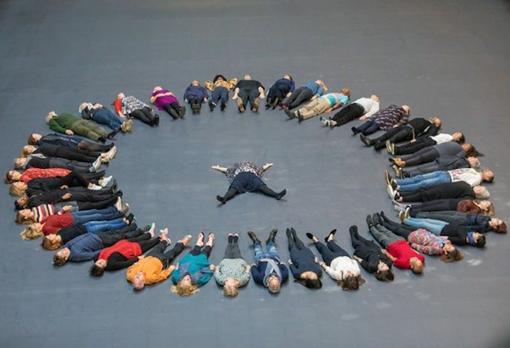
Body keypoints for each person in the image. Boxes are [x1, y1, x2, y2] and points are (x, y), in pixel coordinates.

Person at [375, 212, 463, 262]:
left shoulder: (436, 250)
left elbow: (423, 248)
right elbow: (440, 236)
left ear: (446, 252)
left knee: (397, 230)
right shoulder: (445, 242)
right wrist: (447, 240)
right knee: (401, 226)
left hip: (414, 238)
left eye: (450, 248)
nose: (450, 246)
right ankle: (386, 220)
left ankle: (383, 223)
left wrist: (412, 245)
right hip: (421, 232)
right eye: (452, 246)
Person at [53, 224, 155, 266]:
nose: (63, 250)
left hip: (95, 236)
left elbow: (75, 239)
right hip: (101, 242)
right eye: (63, 253)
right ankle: (142, 231)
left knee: (117, 232)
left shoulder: (68, 246)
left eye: (61, 251)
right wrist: (107, 249)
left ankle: (133, 227)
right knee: (123, 237)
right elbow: (92, 255)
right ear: (66, 258)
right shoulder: (76, 255)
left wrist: (88, 234)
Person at [127, 229, 192, 290]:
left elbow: (130, 269)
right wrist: (169, 270)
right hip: (162, 261)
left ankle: (165, 239)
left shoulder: (131, 275)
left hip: (149, 256)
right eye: (139, 277)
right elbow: (162, 275)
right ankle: (183, 242)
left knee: (159, 247)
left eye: (136, 276)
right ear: (144, 281)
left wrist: (137, 262)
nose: (138, 274)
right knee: (173, 252)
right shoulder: (150, 278)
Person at [20, 206, 127, 240]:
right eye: (35, 226)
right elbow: (62, 230)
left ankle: (114, 209)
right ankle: (119, 214)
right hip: (74, 221)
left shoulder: (43, 221)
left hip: (71, 215)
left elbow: (55, 215)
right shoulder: (47, 229)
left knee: (94, 211)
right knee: (97, 217)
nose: (36, 224)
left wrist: (62, 210)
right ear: (37, 231)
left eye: (34, 224)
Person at [90, 231, 165, 277]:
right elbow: (125, 264)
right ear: (103, 267)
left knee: (137, 239)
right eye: (101, 264)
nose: (101, 261)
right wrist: (137, 258)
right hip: (131, 251)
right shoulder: (111, 265)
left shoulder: (98, 257)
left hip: (122, 245)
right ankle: (160, 239)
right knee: (145, 244)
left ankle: (150, 234)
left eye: (98, 262)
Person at [211, 161, 286, 204]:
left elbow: (263, 168)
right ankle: (224, 198)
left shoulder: (254, 168)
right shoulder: (235, 169)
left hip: (252, 176)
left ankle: (277, 195)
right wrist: (217, 167)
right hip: (240, 176)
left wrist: (268, 165)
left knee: (261, 186)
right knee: (234, 187)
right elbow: (226, 169)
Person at [16, 196, 127, 224]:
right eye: (23, 212)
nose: (25, 210)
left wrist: (60, 201)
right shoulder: (38, 218)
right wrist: (62, 210)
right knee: (91, 208)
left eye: (23, 210)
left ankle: (112, 206)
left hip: (60, 204)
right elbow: (52, 218)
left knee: (88, 204)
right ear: (25, 217)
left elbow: (49, 204)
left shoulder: (35, 209)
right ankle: (114, 207)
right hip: (66, 211)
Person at [171, 232, 215, 296]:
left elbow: (175, 272)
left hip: (189, 258)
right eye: (188, 280)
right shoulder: (198, 280)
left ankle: (200, 240)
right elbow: (207, 276)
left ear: (180, 281)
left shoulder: (176, 278)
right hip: (201, 261)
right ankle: (210, 240)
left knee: (196, 248)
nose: (187, 277)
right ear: (191, 284)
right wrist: (211, 269)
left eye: (185, 279)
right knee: (206, 250)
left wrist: (176, 268)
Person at [361, 116, 442, 151]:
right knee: (387, 134)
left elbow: (428, 135)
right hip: (404, 126)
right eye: (435, 118)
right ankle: (371, 141)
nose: (435, 118)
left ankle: (379, 146)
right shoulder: (423, 119)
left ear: (437, 124)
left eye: (437, 120)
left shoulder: (431, 127)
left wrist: (416, 140)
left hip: (410, 131)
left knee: (394, 138)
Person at [41, 221, 137, 250]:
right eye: (49, 237)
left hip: (83, 225)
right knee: (107, 226)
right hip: (88, 231)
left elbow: (70, 226)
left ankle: (124, 223)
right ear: (53, 242)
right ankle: (126, 223)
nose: (49, 235)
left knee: (106, 224)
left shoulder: (58, 233)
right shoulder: (65, 242)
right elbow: (79, 238)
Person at [401, 216, 486, 248]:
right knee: (427, 220)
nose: (476, 233)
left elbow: (449, 238)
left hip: (441, 231)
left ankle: (405, 221)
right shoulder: (468, 233)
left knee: (424, 224)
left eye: (477, 235)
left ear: (475, 241)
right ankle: (409, 218)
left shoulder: (463, 240)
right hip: (446, 225)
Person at [9, 170, 110, 197]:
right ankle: (91, 185)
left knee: (76, 183)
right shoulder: (30, 190)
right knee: (74, 174)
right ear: (19, 189)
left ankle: (99, 183)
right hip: (56, 185)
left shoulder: (30, 182)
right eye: (18, 185)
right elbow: (45, 192)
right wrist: (59, 189)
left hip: (56, 180)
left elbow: (44, 179)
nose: (20, 183)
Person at [386, 168, 494, 193]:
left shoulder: (477, 179)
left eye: (490, 173)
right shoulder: (474, 171)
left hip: (448, 179)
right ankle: (396, 182)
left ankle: (400, 188)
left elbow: (465, 184)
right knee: (420, 178)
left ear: (487, 178)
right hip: (446, 173)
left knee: (423, 184)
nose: (488, 170)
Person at [247, 229, 288, 294]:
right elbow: (285, 270)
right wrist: (282, 264)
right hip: (274, 258)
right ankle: (270, 240)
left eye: (271, 279)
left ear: (268, 284)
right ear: (279, 282)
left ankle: (256, 241)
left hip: (261, 259)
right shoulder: (283, 276)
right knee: (272, 249)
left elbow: (254, 271)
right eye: (276, 278)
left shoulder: (260, 279)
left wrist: (253, 266)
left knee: (258, 250)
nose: (273, 276)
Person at [15, 187, 122, 210]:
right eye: (20, 201)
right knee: (88, 197)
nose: (21, 199)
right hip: (64, 198)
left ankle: (107, 192)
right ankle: (110, 197)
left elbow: (45, 193)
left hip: (59, 191)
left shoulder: (31, 196)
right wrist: (62, 197)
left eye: (20, 198)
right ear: (23, 206)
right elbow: (49, 205)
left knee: (87, 192)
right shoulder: (33, 204)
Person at [391, 142, 482, 169]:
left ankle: (404, 163)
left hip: (438, 153)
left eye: (467, 146)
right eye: (466, 144)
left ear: (468, 150)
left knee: (420, 158)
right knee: (417, 154)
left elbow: (457, 158)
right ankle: (400, 159)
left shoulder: (463, 152)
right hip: (435, 147)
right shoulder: (458, 144)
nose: (465, 145)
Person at [284, 89, 350, 122]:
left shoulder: (345, 97)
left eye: (346, 89)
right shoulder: (337, 93)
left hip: (327, 102)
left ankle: (303, 116)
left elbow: (340, 103)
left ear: (347, 93)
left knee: (315, 110)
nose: (343, 89)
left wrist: (332, 108)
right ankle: (294, 114)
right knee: (308, 107)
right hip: (321, 99)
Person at [391, 182, 490, 203]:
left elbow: (458, 201)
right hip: (441, 187)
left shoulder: (470, 196)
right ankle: (401, 193)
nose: (478, 187)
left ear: (479, 194)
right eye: (479, 187)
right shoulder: (468, 185)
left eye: (480, 190)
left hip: (442, 194)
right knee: (421, 191)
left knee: (422, 195)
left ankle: (402, 198)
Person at [412, 211, 507, 234]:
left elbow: (469, 228)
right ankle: (416, 213)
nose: (496, 219)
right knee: (438, 212)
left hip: (459, 221)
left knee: (436, 216)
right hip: (462, 215)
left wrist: (457, 226)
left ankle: (414, 215)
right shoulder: (487, 219)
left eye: (497, 221)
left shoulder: (484, 227)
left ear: (495, 227)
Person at [46, 111, 111, 142]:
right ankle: (99, 138)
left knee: (93, 126)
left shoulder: (62, 114)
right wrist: (65, 130)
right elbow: (56, 127)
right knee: (86, 131)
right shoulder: (52, 120)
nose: (52, 112)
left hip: (79, 120)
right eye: (50, 113)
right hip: (73, 125)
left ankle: (107, 135)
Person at [28, 133, 116, 155]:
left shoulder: (46, 136)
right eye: (35, 134)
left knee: (87, 144)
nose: (37, 133)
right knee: (86, 146)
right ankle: (104, 148)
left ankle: (104, 148)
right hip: (67, 144)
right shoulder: (43, 143)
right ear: (34, 139)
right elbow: (55, 145)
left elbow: (57, 136)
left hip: (68, 139)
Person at [396, 155, 480, 178]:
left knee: (424, 171)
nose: (471, 157)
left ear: (473, 164)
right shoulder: (463, 159)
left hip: (442, 166)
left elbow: (455, 167)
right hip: (440, 162)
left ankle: (407, 174)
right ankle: (407, 172)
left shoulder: (466, 165)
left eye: (473, 159)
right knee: (422, 168)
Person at [388, 132, 465, 156]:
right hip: (430, 139)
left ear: (458, 139)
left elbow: (442, 145)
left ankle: (398, 151)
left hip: (432, 142)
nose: (456, 133)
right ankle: (397, 148)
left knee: (415, 147)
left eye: (459, 134)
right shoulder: (448, 135)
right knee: (413, 144)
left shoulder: (451, 140)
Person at [13, 154, 103, 174]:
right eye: (19, 161)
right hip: (50, 164)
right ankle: (89, 170)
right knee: (69, 166)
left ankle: (90, 165)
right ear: (20, 165)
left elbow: (40, 155)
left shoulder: (30, 157)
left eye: (19, 158)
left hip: (51, 159)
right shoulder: (28, 166)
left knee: (71, 162)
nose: (20, 159)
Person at [399, 198, 495, 217]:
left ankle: (409, 211)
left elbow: (463, 214)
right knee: (428, 204)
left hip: (450, 206)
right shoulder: (476, 202)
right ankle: (407, 206)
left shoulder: (477, 210)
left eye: (487, 203)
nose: (485, 201)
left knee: (429, 208)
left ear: (486, 208)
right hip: (450, 201)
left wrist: (461, 206)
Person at [21, 143, 101, 164]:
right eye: (27, 149)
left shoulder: (39, 147)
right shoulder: (36, 153)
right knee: (79, 156)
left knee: (81, 152)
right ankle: (97, 159)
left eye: (28, 146)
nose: (29, 148)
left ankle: (99, 155)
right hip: (59, 153)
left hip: (61, 148)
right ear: (28, 152)